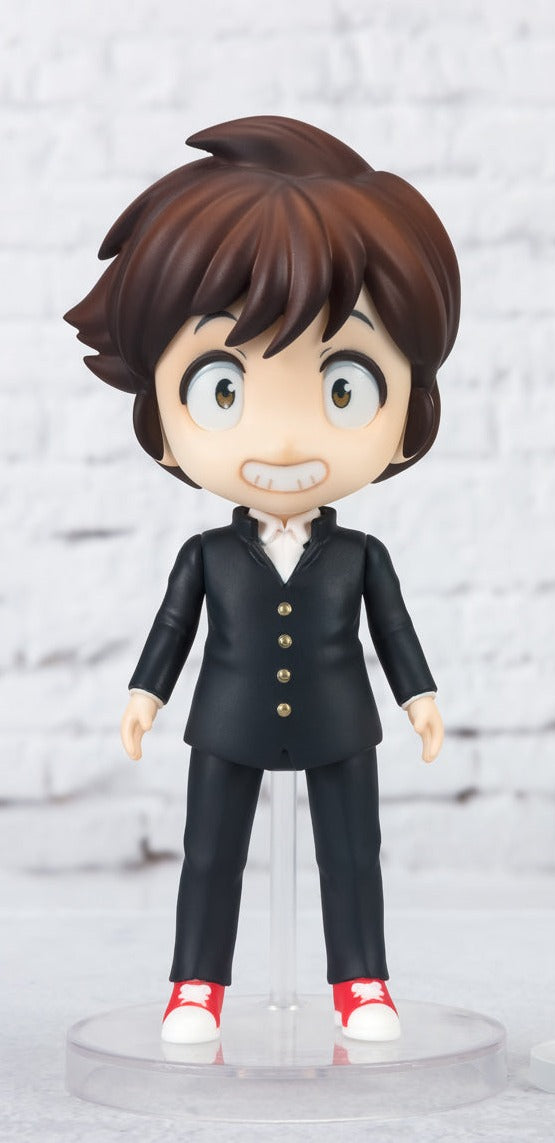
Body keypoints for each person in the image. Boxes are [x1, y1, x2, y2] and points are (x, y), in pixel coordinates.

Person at [65, 115, 460, 1044]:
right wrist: (144, 694)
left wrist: (420, 698)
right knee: (210, 853)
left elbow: (394, 633)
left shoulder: (362, 556)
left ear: (408, 410)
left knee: (351, 853)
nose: (282, 441)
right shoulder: (205, 555)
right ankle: (195, 983)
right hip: (228, 722)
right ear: (162, 416)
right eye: (223, 389)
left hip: (340, 722)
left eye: (343, 387)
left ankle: (362, 981)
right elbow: (172, 630)